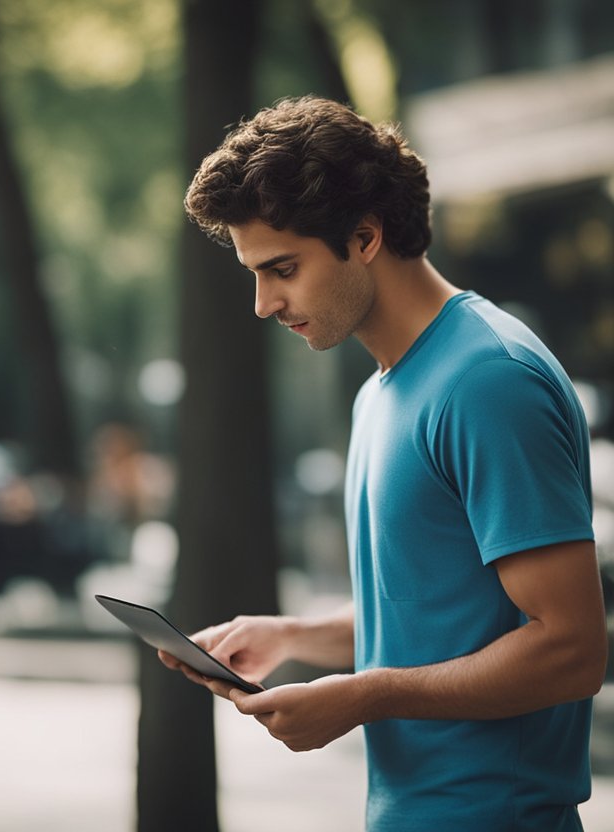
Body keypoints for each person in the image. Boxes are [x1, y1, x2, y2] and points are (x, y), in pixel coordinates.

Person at [160, 95, 606, 830]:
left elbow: (572, 650)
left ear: (365, 237)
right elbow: (436, 612)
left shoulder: (488, 381)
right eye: (255, 274)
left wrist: (365, 695)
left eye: (282, 269)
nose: (263, 303)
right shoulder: (381, 391)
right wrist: (293, 636)